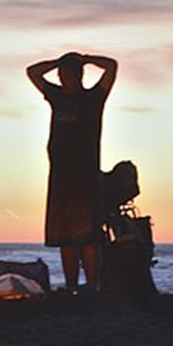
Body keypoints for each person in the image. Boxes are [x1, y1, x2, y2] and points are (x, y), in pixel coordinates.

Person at [26, 52, 117, 291]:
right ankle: (71, 287)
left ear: (79, 75)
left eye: (68, 73)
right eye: (61, 74)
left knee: (87, 239)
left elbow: (111, 67)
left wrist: (85, 58)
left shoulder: (93, 98)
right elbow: (32, 72)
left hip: (85, 179)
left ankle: (93, 287)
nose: (64, 78)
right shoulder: (56, 96)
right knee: (64, 239)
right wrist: (57, 61)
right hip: (59, 179)